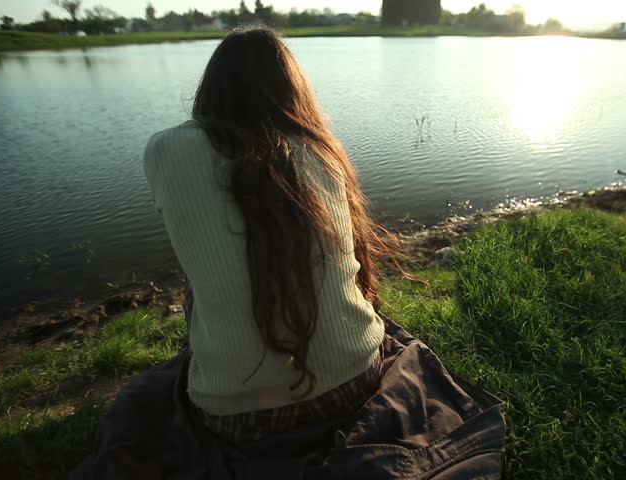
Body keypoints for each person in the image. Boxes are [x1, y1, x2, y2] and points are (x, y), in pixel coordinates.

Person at [72, 27, 505, 479]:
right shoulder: (319, 149)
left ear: (212, 85)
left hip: (234, 415)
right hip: (354, 384)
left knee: (201, 290)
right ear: (291, 86)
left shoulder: (165, 149)